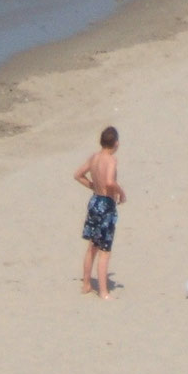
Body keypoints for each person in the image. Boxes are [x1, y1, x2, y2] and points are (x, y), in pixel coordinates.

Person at [73, 126, 124, 299]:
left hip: (94, 201)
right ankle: (103, 291)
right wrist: (121, 193)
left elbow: (78, 174)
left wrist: (93, 186)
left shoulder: (94, 158)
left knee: (92, 246)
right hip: (106, 204)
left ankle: (86, 284)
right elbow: (110, 181)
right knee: (104, 249)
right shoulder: (111, 160)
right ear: (115, 143)